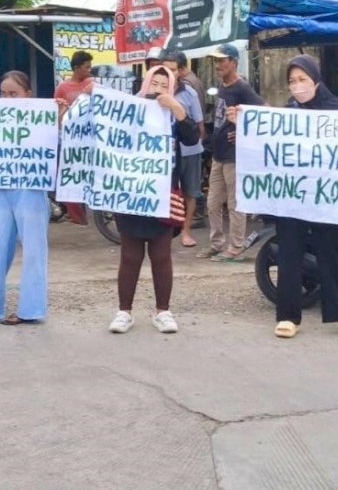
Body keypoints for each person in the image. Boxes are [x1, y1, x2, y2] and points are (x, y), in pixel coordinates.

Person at [226, 54, 338, 339]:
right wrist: (243, 124)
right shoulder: (288, 113)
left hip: (326, 200)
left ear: (316, 79)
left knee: (333, 254)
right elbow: (268, 143)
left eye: (302, 79)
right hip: (293, 199)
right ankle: (288, 317)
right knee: (290, 254)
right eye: (292, 81)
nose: (297, 86)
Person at [108, 65, 199, 334]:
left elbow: (193, 136)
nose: (157, 89)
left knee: (161, 256)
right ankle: (124, 311)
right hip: (132, 195)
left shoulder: (173, 117)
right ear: (144, 84)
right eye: (154, 83)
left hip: (163, 195)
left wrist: (175, 108)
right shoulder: (128, 111)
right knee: (130, 255)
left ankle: (163, 311)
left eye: (164, 84)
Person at [0, 71, 59, 325]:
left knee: (33, 250)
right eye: (3, 93)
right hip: (0, 188)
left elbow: (55, 144)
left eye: (13, 93)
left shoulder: (42, 118)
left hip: (30, 190)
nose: (7, 98)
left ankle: (30, 309)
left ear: (27, 95)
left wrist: (59, 117)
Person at [196, 43, 264, 262]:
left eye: (221, 60)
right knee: (213, 202)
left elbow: (263, 109)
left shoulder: (242, 88)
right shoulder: (222, 85)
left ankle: (235, 246)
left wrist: (242, 131)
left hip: (235, 156)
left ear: (233, 62)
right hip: (218, 154)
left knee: (235, 203)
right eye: (215, 61)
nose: (217, 65)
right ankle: (216, 243)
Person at [162, 51, 205, 247]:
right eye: (165, 69)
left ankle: (186, 231)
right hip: (162, 153)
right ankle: (165, 230)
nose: (168, 74)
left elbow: (199, 125)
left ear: (180, 71)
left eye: (172, 70)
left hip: (188, 151)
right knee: (166, 190)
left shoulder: (190, 93)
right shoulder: (152, 91)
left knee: (190, 192)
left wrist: (196, 144)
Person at [54, 51, 94, 225]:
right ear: (77, 68)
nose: (89, 70)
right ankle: (76, 216)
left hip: (89, 138)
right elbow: (57, 110)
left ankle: (86, 209)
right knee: (71, 174)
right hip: (68, 138)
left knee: (87, 174)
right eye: (87, 67)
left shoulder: (93, 84)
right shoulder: (63, 87)